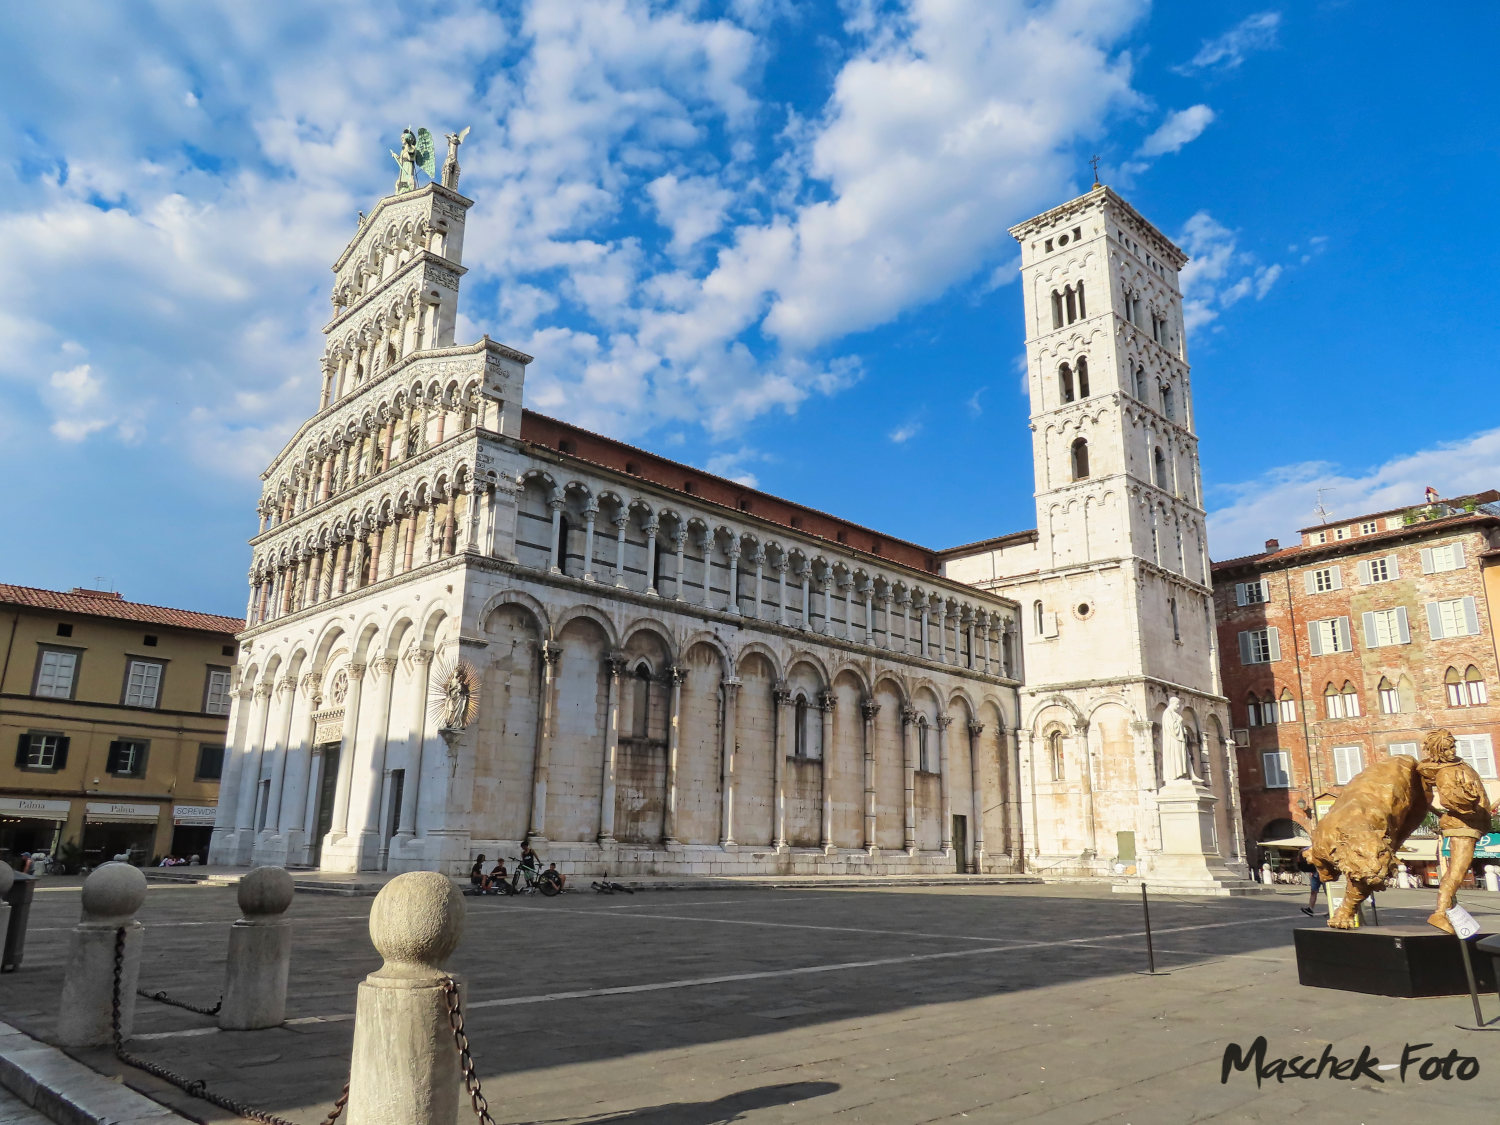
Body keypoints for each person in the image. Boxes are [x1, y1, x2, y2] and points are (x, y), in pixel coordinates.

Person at [1299, 848, 1322, 916]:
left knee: (1328, 893)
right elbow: (1303, 850)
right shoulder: (1312, 847)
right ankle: (1310, 908)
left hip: (1325, 874)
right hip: (1315, 873)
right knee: (1313, 891)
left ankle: (1332, 909)